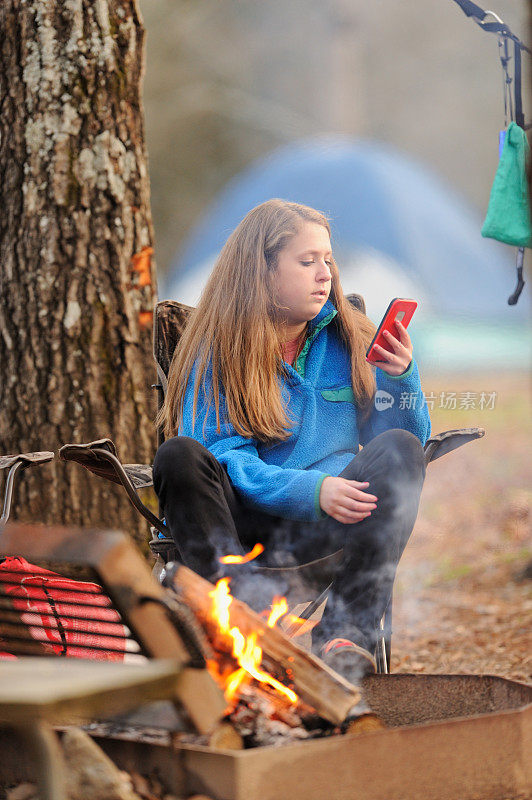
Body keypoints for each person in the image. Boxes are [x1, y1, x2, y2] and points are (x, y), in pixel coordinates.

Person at [154, 198, 430, 681]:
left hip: (330, 522)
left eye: (328, 260)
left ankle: (347, 632)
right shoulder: (219, 348)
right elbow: (222, 458)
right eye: (307, 262)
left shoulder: (350, 337)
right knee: (179, 456)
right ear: (261, 270)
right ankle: (240, 619)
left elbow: (401, 445)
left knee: (403, 449)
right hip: (242, 529)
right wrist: (312, 490)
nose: (324, 274)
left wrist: (400, 379)